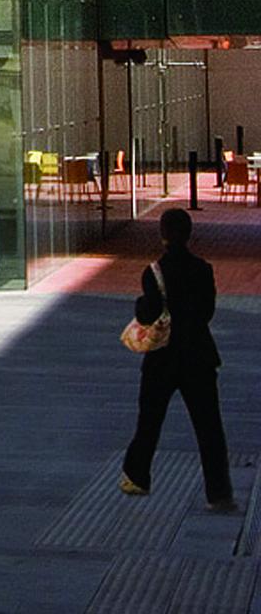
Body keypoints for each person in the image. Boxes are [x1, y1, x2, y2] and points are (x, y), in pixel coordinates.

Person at [121, 208, 234, 509]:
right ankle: (219, 492)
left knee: (149, 420)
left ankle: (137, 476)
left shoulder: (154, 271)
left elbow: (148, 313)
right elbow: (207, 312)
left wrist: (142, 304)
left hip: (162, 358)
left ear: (163, 235)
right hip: (199, 355)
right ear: (189, 234)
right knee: (209, 426)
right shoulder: (203, 269)